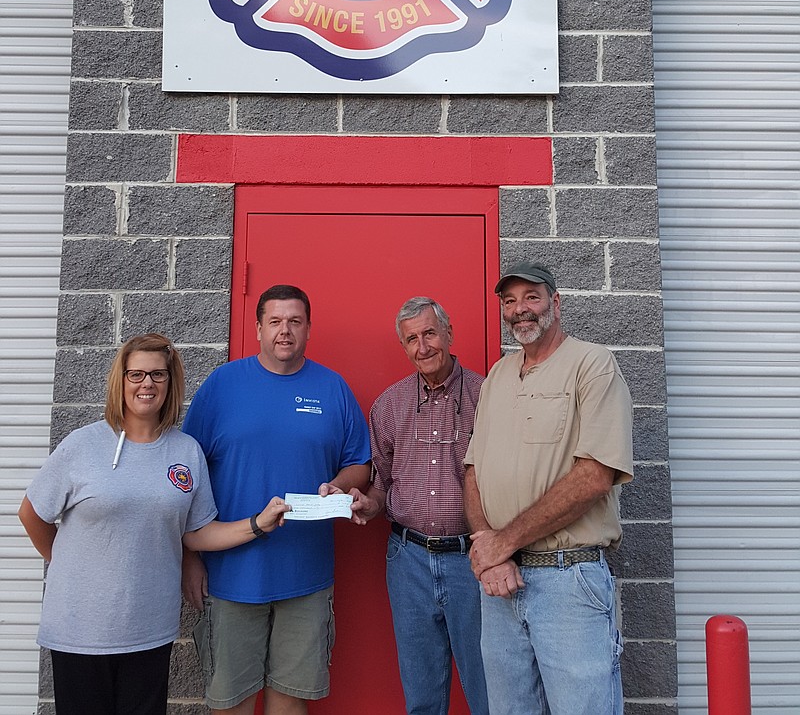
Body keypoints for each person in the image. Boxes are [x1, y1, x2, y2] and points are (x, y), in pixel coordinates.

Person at [18, 333, 291, 715]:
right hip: (80, 631)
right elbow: (32, 514)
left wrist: (258, 523)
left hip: (148, 632)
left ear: (170, 382)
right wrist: (67, 566)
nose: (147, 383)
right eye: (137, 375)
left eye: (158, 375)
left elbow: (196, 533)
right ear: (121, 380)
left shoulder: (185, 452)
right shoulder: (82, 446)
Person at [181, 283, 371, 715]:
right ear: (258, 328)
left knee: (290, 703)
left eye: (295, 321)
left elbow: (360, 462)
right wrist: (187, 556)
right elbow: (184, 479)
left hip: (306, 575)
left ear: (308, 328)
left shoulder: (332, 388)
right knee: (232, 704)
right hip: (230, 576)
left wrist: (339, 485)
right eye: (275, 321)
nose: (285, 331)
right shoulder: (223, 385)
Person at [464, 261, 634, 715]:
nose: (521, 310)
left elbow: (594, 476)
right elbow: (473, 470)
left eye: (532, 298)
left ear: (556, 304)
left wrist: (502, 542)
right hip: (500, 585)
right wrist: (489, 548)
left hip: (568, 581)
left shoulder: (592, 364)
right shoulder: (498, 376)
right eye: (509, 300)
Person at [330, 297, 488, 715]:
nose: (422, 347)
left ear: (449, 335)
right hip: (408, 561)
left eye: (430, 333)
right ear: (403, 346)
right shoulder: (388, 406)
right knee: (421, 694)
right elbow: (382, 486)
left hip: (472, 560)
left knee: (489, 688)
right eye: (411, 339)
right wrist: (368, 503)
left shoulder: (488, 396)